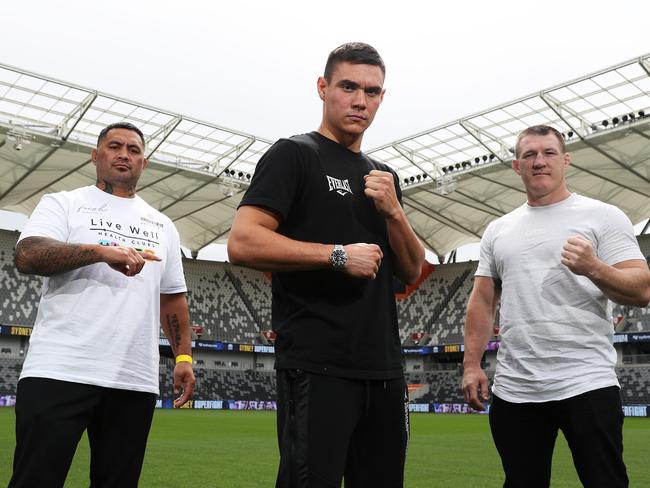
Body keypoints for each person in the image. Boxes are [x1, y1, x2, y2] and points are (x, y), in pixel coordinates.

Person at [228, 42, 425, 487]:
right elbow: (242, 242)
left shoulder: (383, 176)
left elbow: (412, 270)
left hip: (385, 369)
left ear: (382, 98)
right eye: (348, 86)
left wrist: (395, 211)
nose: (360, 101)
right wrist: (337, 256)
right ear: (323, 88)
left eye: (372, 92)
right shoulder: (294, 154)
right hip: (318, 364)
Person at [462, 124, 650, 488]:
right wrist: (471, 365)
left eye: (549, 153)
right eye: (529, 155)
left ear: (566, 161)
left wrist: (593, 267)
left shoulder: (604, 216)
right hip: (516, 388)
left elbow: (642, 290)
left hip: (586, 380)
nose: (539, 161)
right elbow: (483, 300)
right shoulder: (498, 229)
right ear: (517, 166)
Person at [9, 122, 196, 488]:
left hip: (133, 379)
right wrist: (99, 252)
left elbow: (172, 297)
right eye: (114, 146)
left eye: (134, 150)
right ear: (96, 156)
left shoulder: (162, 225)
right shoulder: (64, 204)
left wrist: (184, 358)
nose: (124, 154)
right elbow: (27, 255)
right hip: (59, 369)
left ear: (144, 163)